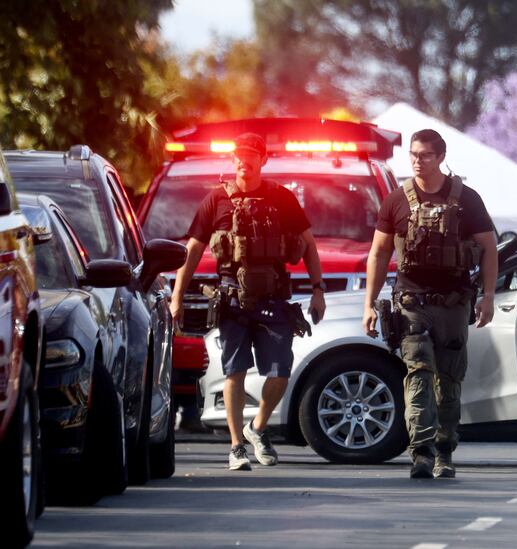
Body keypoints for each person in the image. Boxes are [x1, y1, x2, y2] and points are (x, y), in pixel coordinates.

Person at [170, 132, 326, 471]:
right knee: (234, 372)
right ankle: (236, 445)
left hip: (273, 298)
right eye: (239, 153)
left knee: (280, 372)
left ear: (263, 159)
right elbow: (193, 250)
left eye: (252, 153)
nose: (245, 159)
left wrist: (318, 289)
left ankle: (258, 428)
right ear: (233, 159)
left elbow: (309, 244)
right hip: (232, 298)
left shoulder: (282, 198)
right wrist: (177, 297)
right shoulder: (216, 200)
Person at [362, 129, 498, 479]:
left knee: (450, 380)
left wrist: (488, 296)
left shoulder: (467, 199)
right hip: (412, 302)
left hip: (453, 303)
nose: (417, 161)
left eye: (424, 155)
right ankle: (420, 453)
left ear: (440, 156)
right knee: (419, 374)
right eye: (413, 154)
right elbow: (378, 253)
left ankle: (444, 450)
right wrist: (369, 304)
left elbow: (488, 248)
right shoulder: (396, 201)